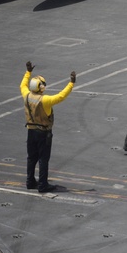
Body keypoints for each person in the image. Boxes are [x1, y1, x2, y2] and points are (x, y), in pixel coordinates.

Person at [20, 62, 75, 192]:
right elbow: (61, 96)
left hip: (31, 131)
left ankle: (30, 181)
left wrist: (28, 72)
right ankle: (43, 185)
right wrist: (71, 83)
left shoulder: (26, 95)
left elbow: (22, 85)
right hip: (43, 133)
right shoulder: (45, 101)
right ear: (41, 87)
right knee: (43, 159)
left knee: (31, 157)